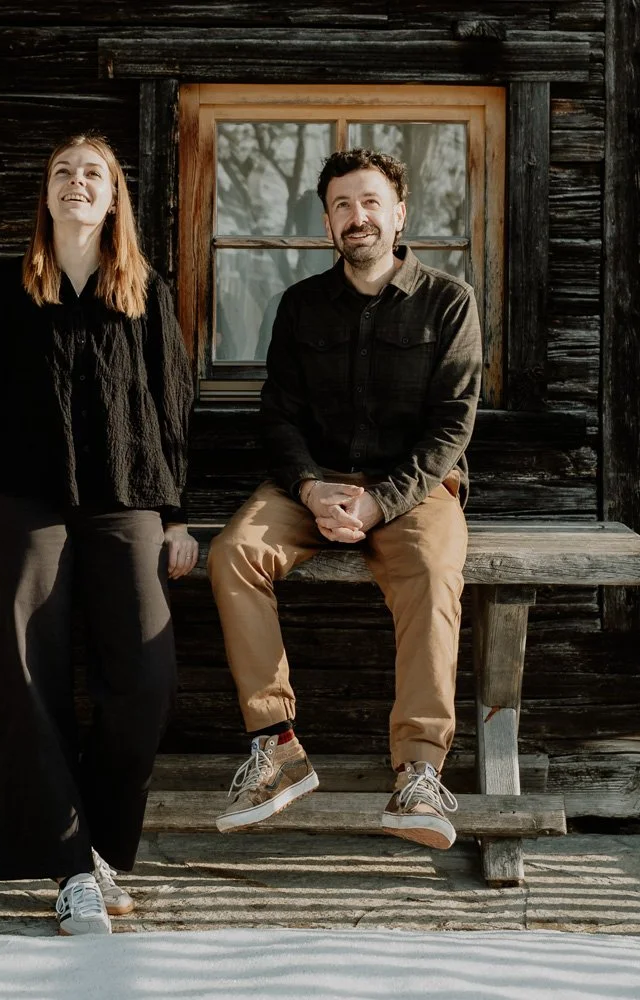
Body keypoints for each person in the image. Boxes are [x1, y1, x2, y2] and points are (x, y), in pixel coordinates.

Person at [0, 133, 197, 935]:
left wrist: (178, 513)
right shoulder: (2, 289)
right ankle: (70, 868)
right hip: (22, 500)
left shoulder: (145, 292)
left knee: (147, 677)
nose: (76, 183)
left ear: (115, 197)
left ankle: (94, 843)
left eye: (93, 174)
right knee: (29, 676)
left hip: (128, 501)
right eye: (61, 172)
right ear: (45, 194)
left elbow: (172, 408)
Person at [208, 148, 482, 850]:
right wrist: (309, 486)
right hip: (311, 483)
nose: (356, 217)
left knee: (432, 572)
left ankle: (418, 773)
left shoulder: (449, 301)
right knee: (234, 553)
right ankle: (278, 749)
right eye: (340, 206)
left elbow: (452, 425)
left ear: (398, 213)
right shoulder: (300, 306)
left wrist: (378, 502)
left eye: (368, 203)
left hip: (413, 489)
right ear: (327, 223)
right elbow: (278, 414)